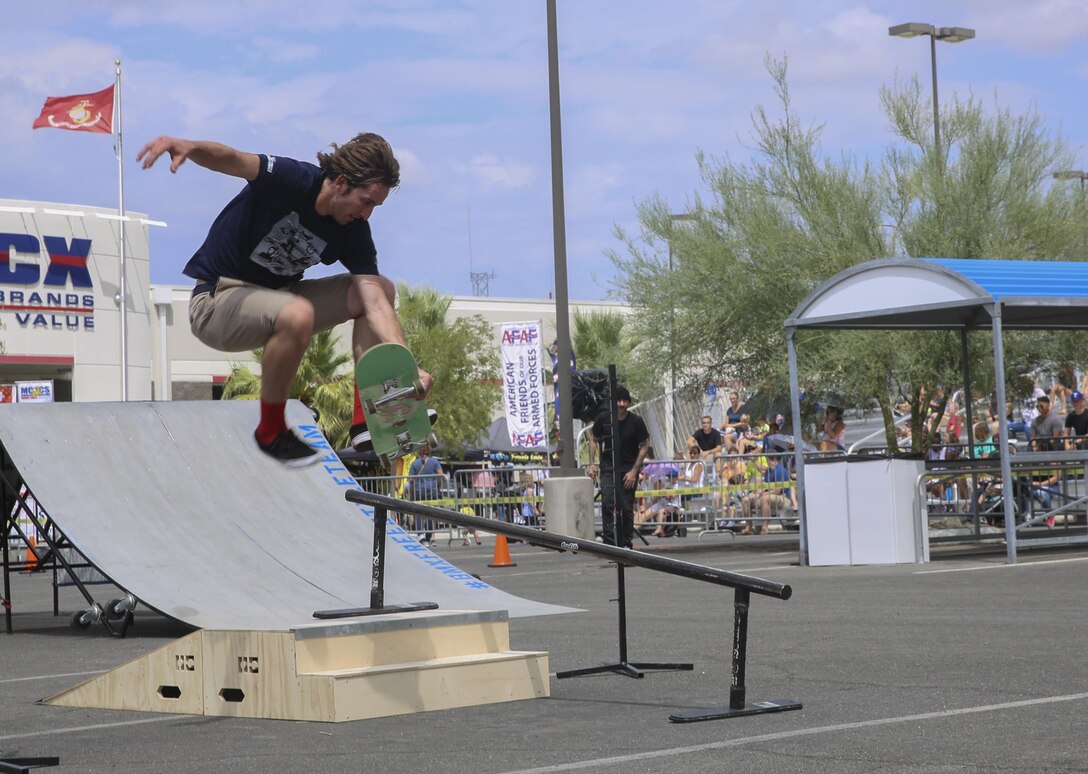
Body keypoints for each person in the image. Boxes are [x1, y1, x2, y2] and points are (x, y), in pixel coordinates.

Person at [137, 132, 433, 466]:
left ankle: (368, 417)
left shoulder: (353, 232)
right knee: (297, 313)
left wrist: (407, 366)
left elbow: (377, 304)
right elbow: (234, 158)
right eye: (366, 202)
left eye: (375, 207)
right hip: (219, 301)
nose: (367, 215)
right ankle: (271, 430)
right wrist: (192, 149)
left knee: (380, 288)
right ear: (340, 181)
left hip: (281, 298)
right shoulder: (293, 180)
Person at [586, 385, 650, 548]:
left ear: (628, 402)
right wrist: (592, 464)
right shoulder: (604, 419)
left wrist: (634, 471)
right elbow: (593, 439)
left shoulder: (636, 421)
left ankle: (626, 543)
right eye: (618, 401)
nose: (621, 404)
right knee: (607, 502)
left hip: (628, 469)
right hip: (608, 468)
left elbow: (644, 445)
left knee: (626, 508)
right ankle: (609, 542)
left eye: (624, 401)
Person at [408, 445, 444, 546]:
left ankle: (421, 535)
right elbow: (441, 474)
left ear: (419, 452)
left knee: (419, 514)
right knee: (430, 514)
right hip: (432, 491)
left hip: (418, 491)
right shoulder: (435, 462)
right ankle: (428, 537)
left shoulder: (414, 463)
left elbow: (410, 479)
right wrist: (439, 486)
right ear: (429, 451)